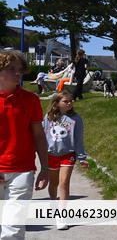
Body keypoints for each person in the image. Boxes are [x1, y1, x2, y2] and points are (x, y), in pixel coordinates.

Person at [0, 50, 50, 240]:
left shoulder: (30, 100)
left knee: (13, 229)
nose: (18, 73)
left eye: (19, 69)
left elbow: (39, 135)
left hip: (22, 171)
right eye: (11, 69)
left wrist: (45, 167)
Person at [43, 91, 89, 230]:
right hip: (50, 154)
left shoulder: (76, 119)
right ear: (57, 103)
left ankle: (61, 216)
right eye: (66, 101)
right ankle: (53, 203)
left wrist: (81, 157)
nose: (70, 103)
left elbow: (79, 139)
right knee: (54, 183)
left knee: (64, 183)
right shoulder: (48, 117)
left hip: (67, 154)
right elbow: (42, 135)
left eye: (71, 101)